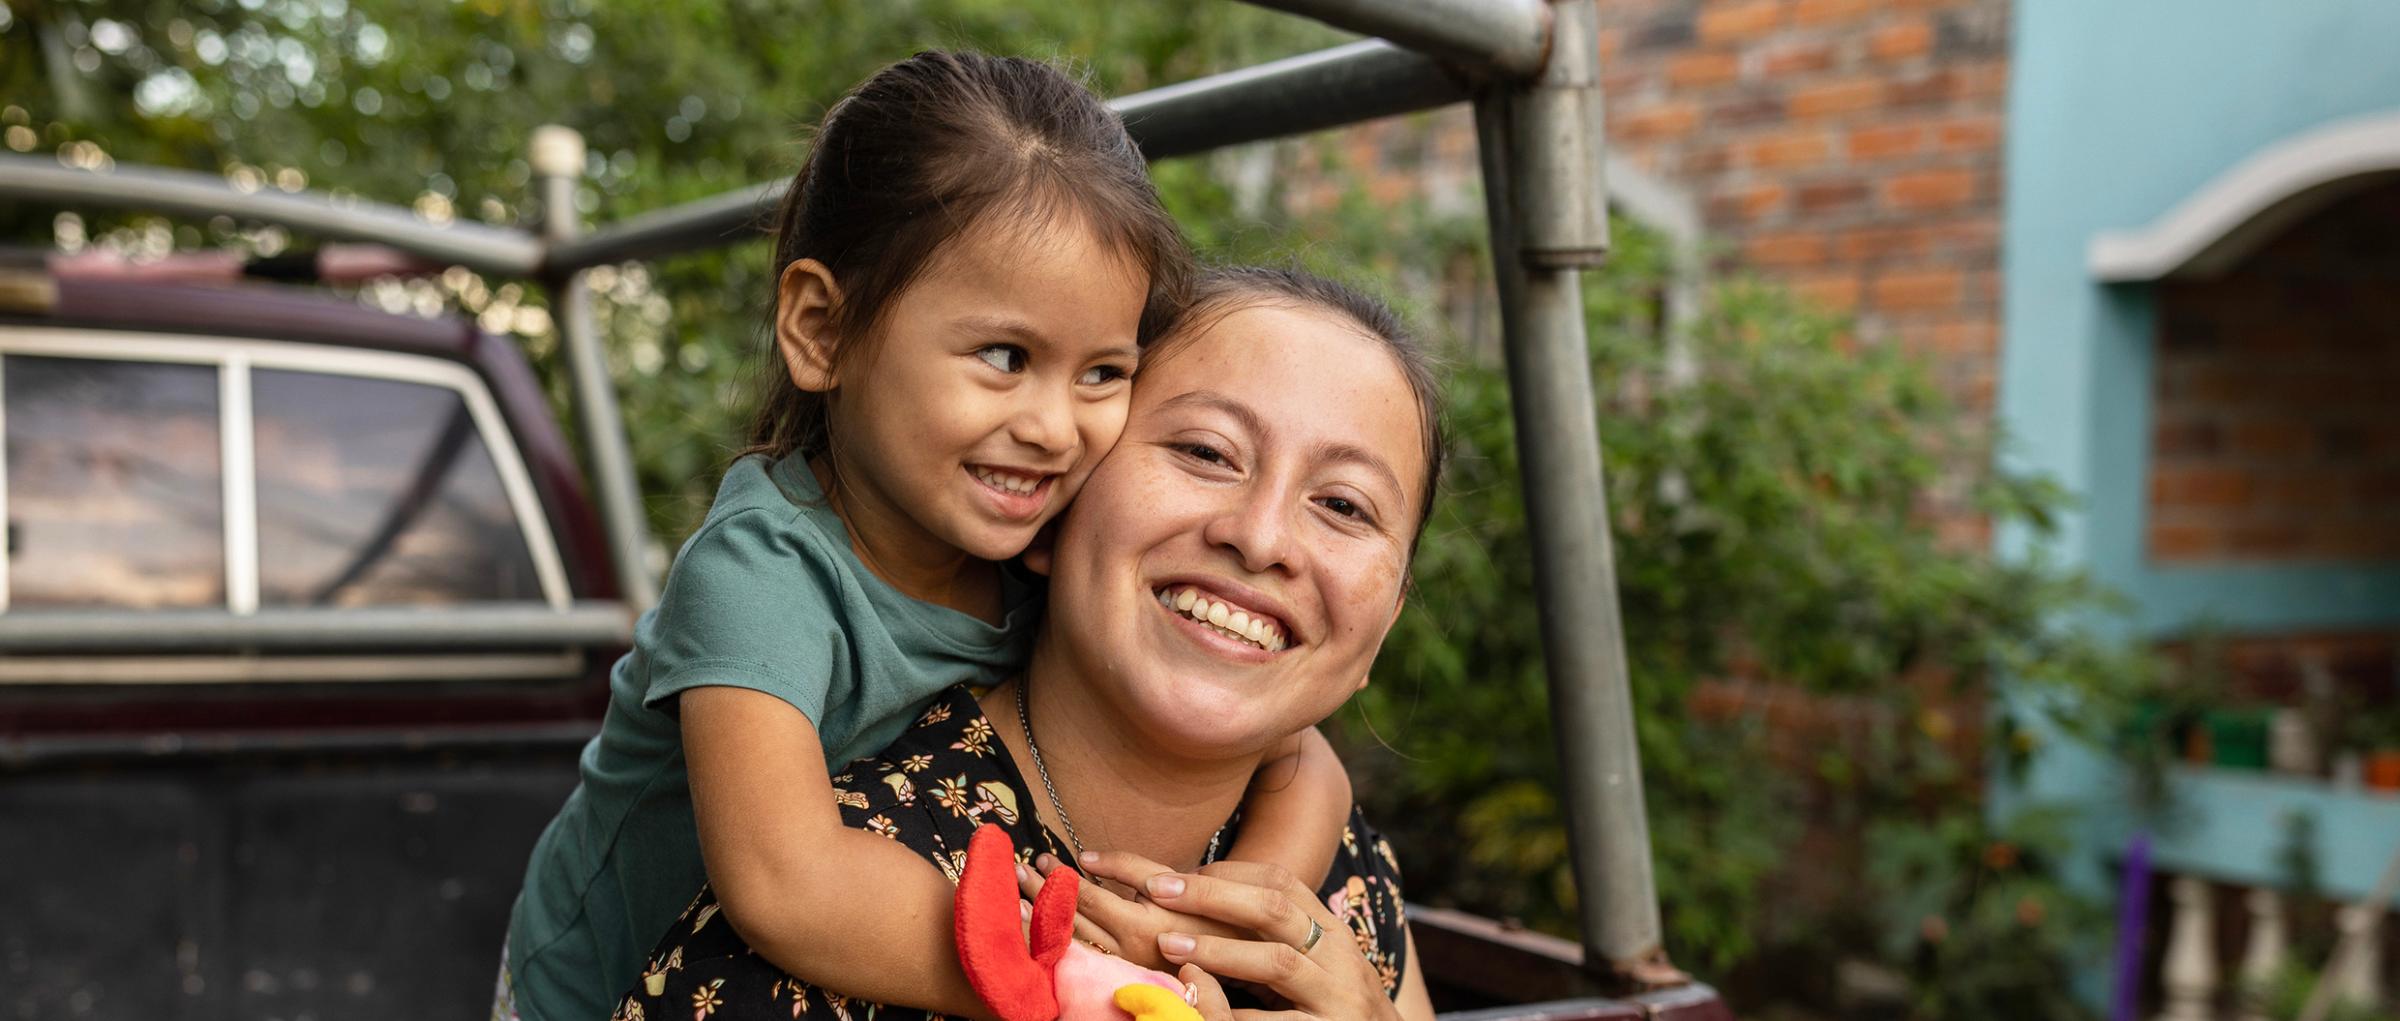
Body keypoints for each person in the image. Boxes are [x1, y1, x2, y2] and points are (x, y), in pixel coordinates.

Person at [497, 55, 1357, 1021]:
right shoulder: (764, 573)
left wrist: (1188, 928)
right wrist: (1069, 978)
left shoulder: (1044, 537)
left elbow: (1303, 761)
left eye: (1103, 372)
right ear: (823, 329)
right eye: (1006, 357)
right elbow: (788, 882)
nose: (1053, 426)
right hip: (593, 985)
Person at [613, 266, 1448, 1021]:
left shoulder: (1337, 875)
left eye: (1344, 505)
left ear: (1385, 623)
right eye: (1205, 451)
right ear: (1054, 510)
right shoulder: (860, 892)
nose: (1262, 537)